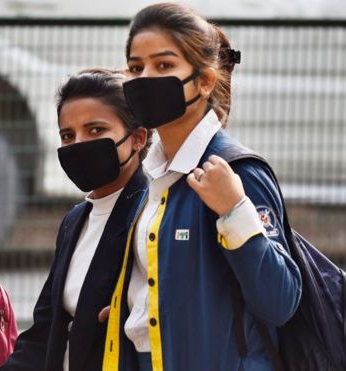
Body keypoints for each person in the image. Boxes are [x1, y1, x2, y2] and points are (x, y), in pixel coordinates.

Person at [101, 3, 302, 371]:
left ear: (206, 80)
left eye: (164, 65)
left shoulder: (235, 171)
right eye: (135, 67)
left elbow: (281, 300)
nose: (145, 77)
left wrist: (235, 210)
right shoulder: (151, 178)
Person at [0, 68, 151, 371]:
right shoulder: (75, 219)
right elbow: (46, 328)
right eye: (68, 135)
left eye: (96, 130)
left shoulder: (152, 215)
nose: (79, 144)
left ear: (137, 139)